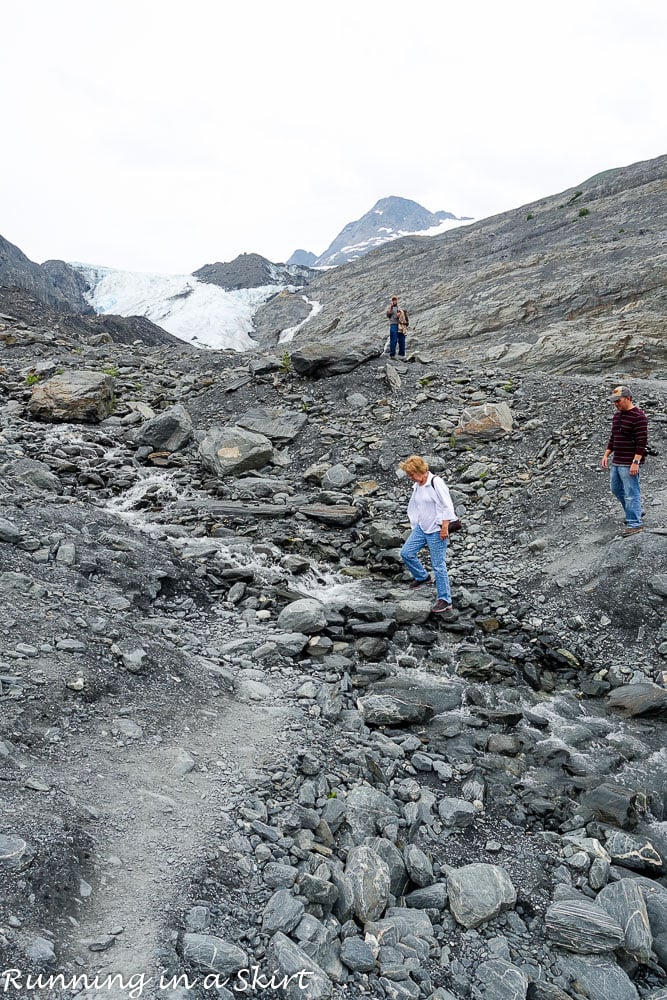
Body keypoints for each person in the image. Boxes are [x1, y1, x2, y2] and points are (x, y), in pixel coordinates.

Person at [399, 455, 456, 613]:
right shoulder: (418, 484)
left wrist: (445, 527)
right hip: (422, 528)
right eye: (409, 475)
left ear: (421, 470)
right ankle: (422, 577)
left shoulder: (435, 482)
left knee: (438, 566)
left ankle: (445, 600)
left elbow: (447, 505)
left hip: (437, 529)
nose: (410, 478)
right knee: (406, 553)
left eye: (412, 474)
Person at [601, 385, 648, 536]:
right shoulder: (617, 416)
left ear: (628, 398)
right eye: (614, 401)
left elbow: (642, 441)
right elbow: (614, 437)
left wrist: (636, 462)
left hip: (629, 462)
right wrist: (606, 454)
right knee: (616, 489)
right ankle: (636, 511)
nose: (616, 404)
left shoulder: (639, 416)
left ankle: (635, 524)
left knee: (631, 492)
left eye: (618, 401)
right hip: (617, 460)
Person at [386, 295, 406, 361]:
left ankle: (401, 355)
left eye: (395, 300)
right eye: (393, 300)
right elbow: (388, 314)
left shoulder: (400, 307)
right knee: (393, 340)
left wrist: (401, 313)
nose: (394, 301)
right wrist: (391, 307)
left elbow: (404, 314)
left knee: (402, 340)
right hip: (393, 325)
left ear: (397, 300)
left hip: (400, 325)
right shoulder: (389, 308)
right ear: (392, 301)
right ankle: (392, 354)